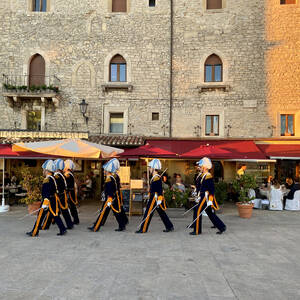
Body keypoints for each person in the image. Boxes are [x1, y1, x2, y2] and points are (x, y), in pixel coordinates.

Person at [26, 160, 67, 237]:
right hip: (53, 199)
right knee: (55, 215)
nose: (43, 171)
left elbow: (46, 192)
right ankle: (62, 229)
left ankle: (34, 232)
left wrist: (45, 202)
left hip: (47, 200)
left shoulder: (47, 179)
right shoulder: (53, 177)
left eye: (44, 169)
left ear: (47, 170)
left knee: (40, 216)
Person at [88, 158, 127, 232]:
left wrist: (109, 198)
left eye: (105, 170)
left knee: (110, 212)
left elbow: (109, 190)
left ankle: (96, 227)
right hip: (113, 197)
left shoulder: (109, 178)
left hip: (110, 198)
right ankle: (122, 225)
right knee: (115, 212)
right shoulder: (113, 177)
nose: (104, 171)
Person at [136, 159, 174, 234]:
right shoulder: (154, 177)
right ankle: (169, 226)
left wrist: (159, 198)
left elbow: (159, 190)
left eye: (150, 168)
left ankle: (143, 229)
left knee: (147, 213)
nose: (149, 169)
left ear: (153, 168)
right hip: (154, 197)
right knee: (162, 213)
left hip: (154, 198)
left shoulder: (157, 178)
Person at [190, 157, 226, 235]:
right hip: (201, 196)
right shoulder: (202, 175)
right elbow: (200, 187)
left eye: (201, 166)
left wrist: (210, 200)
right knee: (210, 214)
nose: (199, 167)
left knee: (197, 211)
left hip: (205, 198)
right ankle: (222, 227)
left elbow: (211, 189)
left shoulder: (208, 176)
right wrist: (196, 192)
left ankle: (197, 230)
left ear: (205, 167)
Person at [41, 159, 74, 230]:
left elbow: (57, 186)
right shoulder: (59, 175)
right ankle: (46, 225)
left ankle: (67, 225)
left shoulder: (57, 176)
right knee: (54, 211)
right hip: (60, 195)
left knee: (62, 211)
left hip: (60, 195)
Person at [64, 159, 80, 225]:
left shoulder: (68, 175)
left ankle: (76, 220)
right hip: (71, 192)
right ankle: (76, 219)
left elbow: (68, 185)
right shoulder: (69, 174)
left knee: (72, 207)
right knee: (72, 207)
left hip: (70, 193)